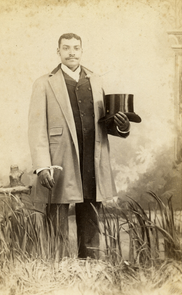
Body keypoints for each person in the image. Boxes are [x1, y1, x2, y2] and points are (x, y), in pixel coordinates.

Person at [28, 33, 130, 259]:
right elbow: (36, 129)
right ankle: (56, 268)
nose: (72, 52)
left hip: (92, 157)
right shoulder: (44, 83)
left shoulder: (96, 80)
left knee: (91, 211)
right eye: (66, 48)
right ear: (58, 52)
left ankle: (91, 265)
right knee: (56, 214)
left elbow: (106, 122)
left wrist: (121, 125)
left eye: (76, 48)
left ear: (82, 51)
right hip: (59, 158)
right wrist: (42, 166)